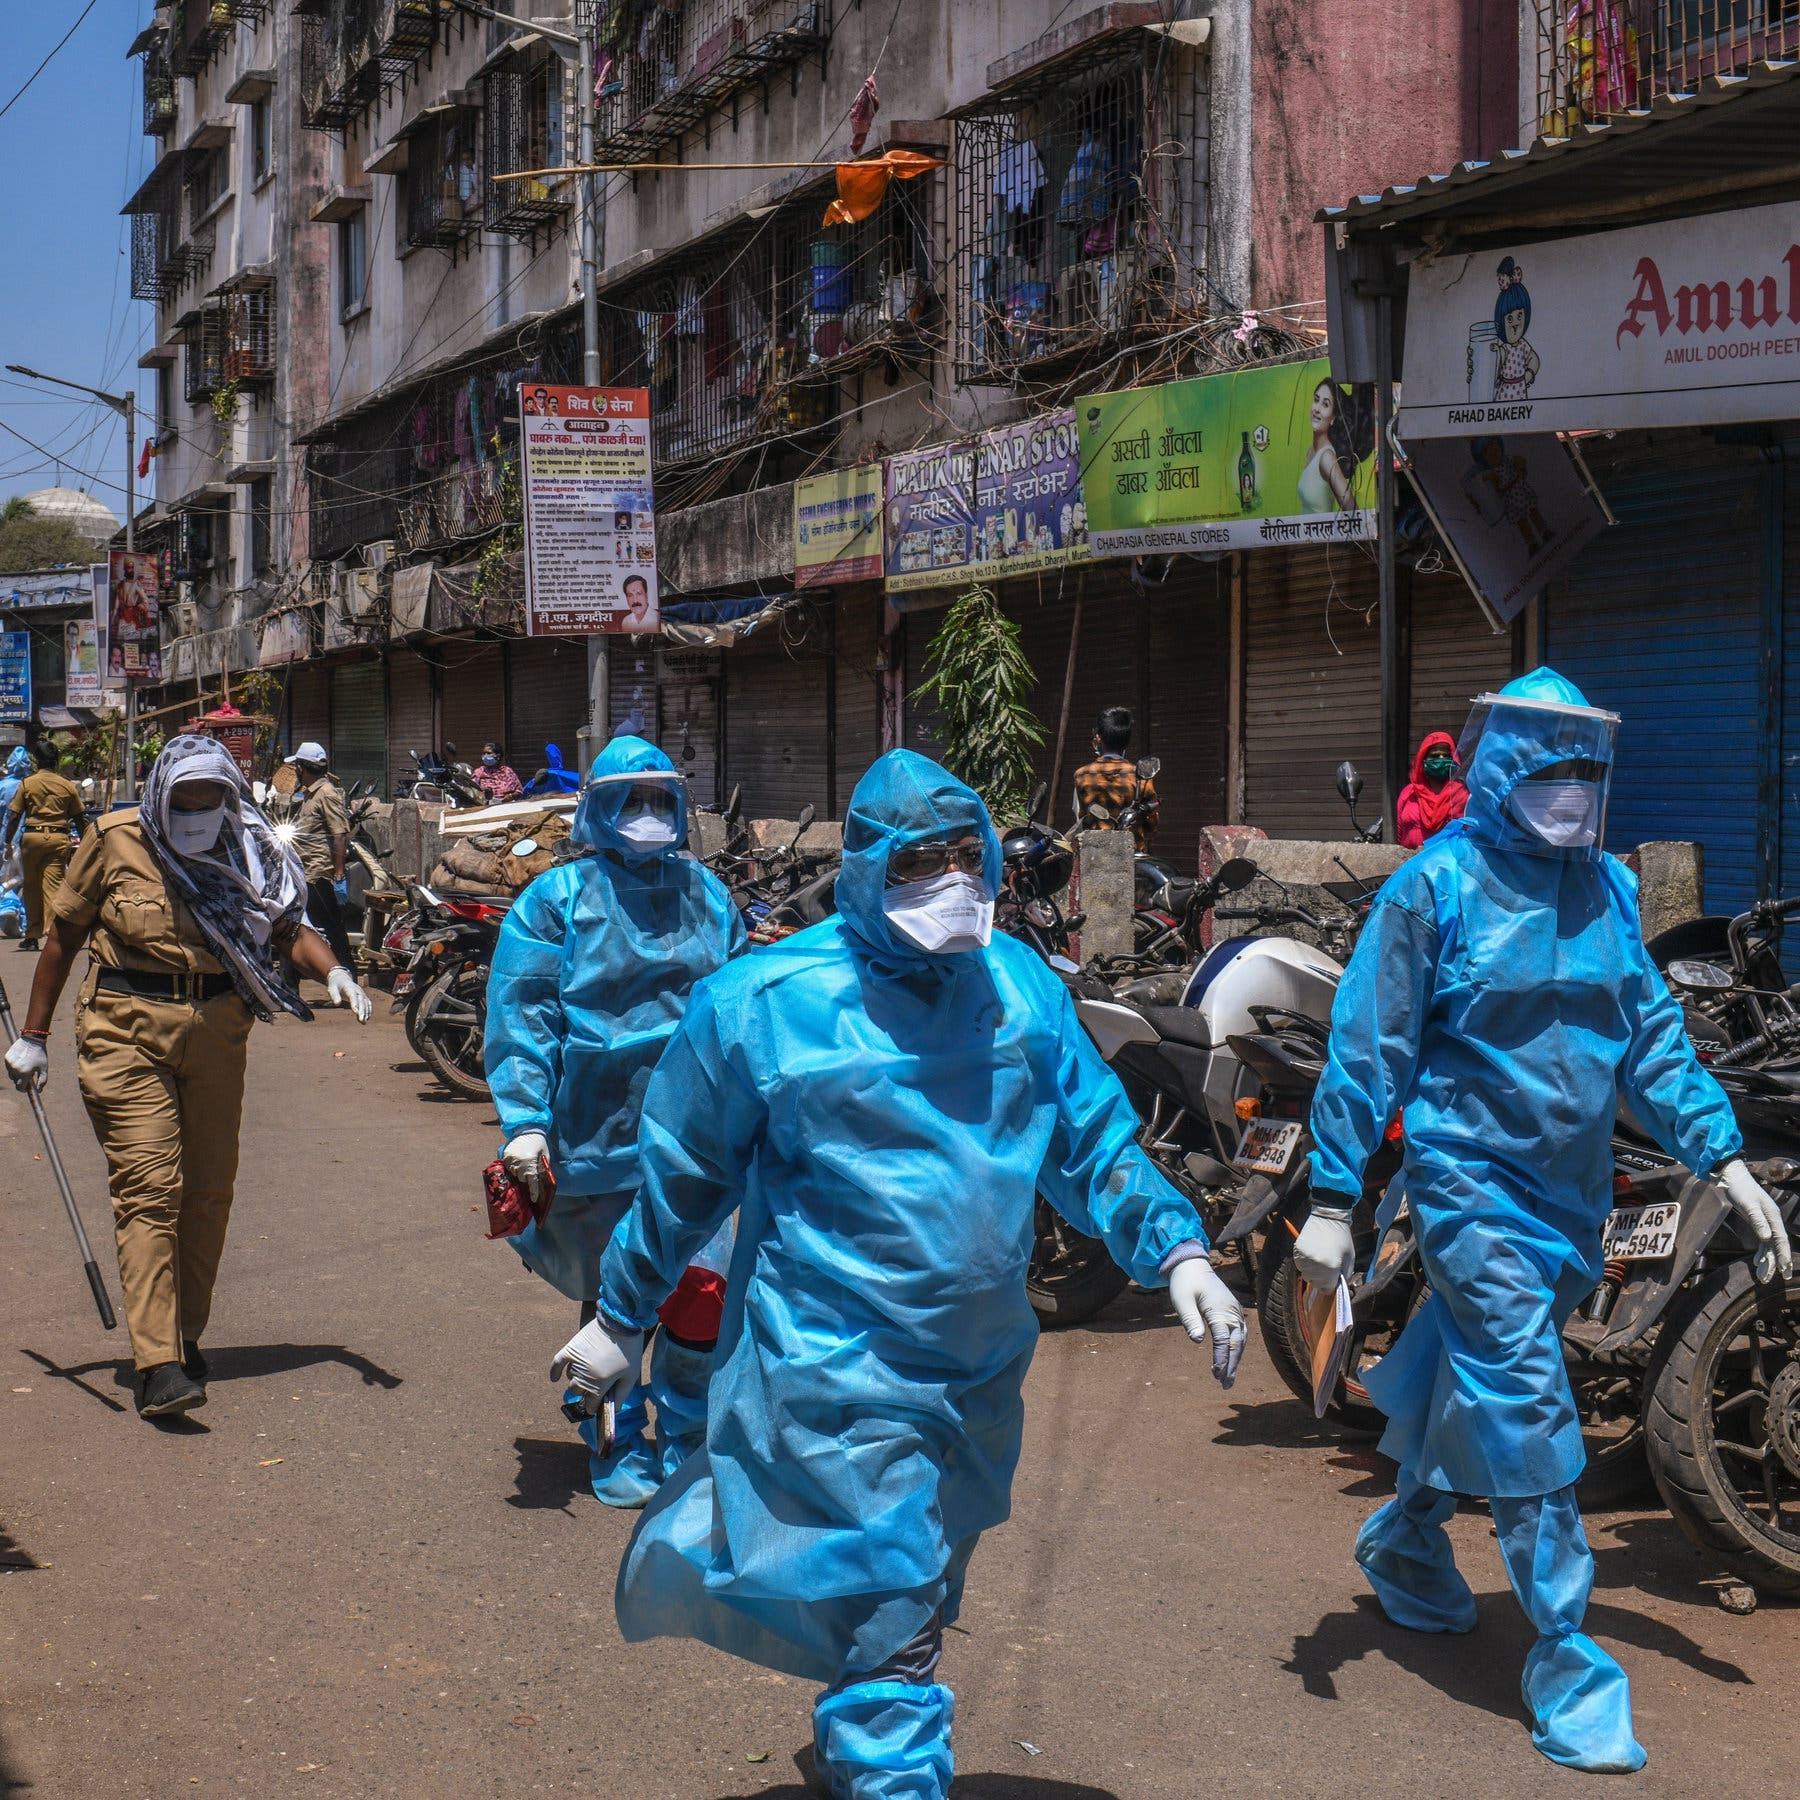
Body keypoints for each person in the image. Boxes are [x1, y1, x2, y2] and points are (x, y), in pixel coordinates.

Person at [552, 749, 1247, 1797]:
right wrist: (621, 1314)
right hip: (835, 1365)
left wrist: (1179, 1249)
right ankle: (889, 1767)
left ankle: (861, 1713)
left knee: (918, 1581)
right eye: (923, 862)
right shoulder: (764, 1002)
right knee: (894, 1585)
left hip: (975, 1364)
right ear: (868, 867)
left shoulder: (1016, 987)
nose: (954, 882)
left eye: (970, 857)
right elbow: (685, 1183)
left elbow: (1093, 1141)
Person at [1300, 668, 1791, 1773]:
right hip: (1469, 1183)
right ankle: (1567, 1658)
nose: (1574, 786)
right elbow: (1367, 1046)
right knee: (1523, 1390)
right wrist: (1333, 1195)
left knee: (1480, 1367)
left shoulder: (1607, 889)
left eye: (1588, 767)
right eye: (1554, 765)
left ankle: (1409, 1533)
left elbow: (1652, 1038)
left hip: (1571, 1196)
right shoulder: (1433, 890)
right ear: (1508, 765)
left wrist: (1722, 1153)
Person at [2, 735, 373, 1419]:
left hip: (217, 1029)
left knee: (207, 1190)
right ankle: (157, 1364)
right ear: (162, 789)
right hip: (124, 1024)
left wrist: (335, 971)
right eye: (187, 796)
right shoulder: (117, 838)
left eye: (212, 795)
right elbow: (64, 936)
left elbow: (288, 925)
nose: (200, 807)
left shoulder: (248, 844)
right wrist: (34, 1035)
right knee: (150, 1186)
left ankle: (184, 1333)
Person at [485, 735, 744, 1506]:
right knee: (613, 1298)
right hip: (594, 1136)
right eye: (630, 800)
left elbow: (739, 1003)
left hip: (696, 1135)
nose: (647, 814)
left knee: (703, 1290)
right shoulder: (555, 901)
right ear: (598, 806)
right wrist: (526, 1121)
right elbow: (522, 1013)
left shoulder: (708, 896)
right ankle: (615, 1433)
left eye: (660, 799)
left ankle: (689, 1433)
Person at [6, 749, 86, 952]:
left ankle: (32, 936)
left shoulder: (27, 783)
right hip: (58, 839)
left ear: (37, 761)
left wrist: (7, 843)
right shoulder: (66, 784)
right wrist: (86, 843)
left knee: (31, 888)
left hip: (31, 839)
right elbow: (79, 817)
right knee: (54, 887)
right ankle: (53, 933)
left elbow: (14, 816)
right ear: (56, 761)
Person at [284, 741, 354, 971]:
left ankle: (349, 979)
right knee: (293, 928)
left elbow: (339, 835)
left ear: (301, 768)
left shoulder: (326, 793)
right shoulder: (308, 794)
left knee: (331, 931)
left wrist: (339, 876)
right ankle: (288, 985)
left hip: (318, 876)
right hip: (303, 873)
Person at [1072, 705, 1158, 849]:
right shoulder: (1140, 776)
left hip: (1094, 855)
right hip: (1132, 854)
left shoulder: (1081, 775)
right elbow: (1151, 826)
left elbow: (1080, 818)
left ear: (1098, 738)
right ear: (1126, 740)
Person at [1394, 729, 1469, 849]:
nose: (1440, 759)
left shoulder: (1461, 793)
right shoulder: (1409, 793)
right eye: (1434, 756)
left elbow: (1468, 832)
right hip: (1411, 862)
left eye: (1446, 755)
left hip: (1447, 863)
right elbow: (1399, 831)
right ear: (1423, 760)